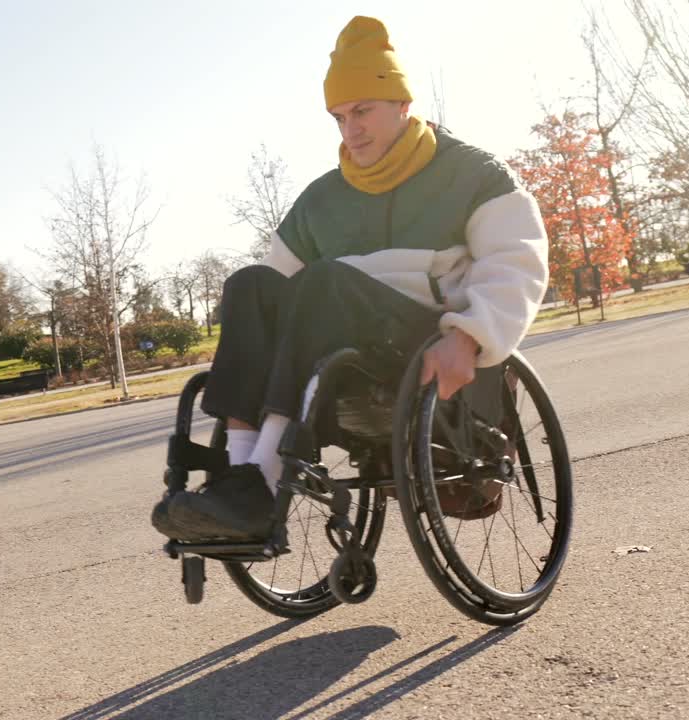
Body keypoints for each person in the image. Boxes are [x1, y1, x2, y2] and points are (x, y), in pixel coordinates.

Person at [152, 15, 549, 542]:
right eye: (339, 117)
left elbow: (515, 260)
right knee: (249, 285)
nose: (350, 129)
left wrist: (469, 335)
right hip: (342, 358)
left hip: (423, 341)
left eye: (362, 110)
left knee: (323, 282)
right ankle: (240, 478)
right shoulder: (320, 201)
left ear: (403, 105)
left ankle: (263, 485)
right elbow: (272, 302)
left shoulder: (472, 173)